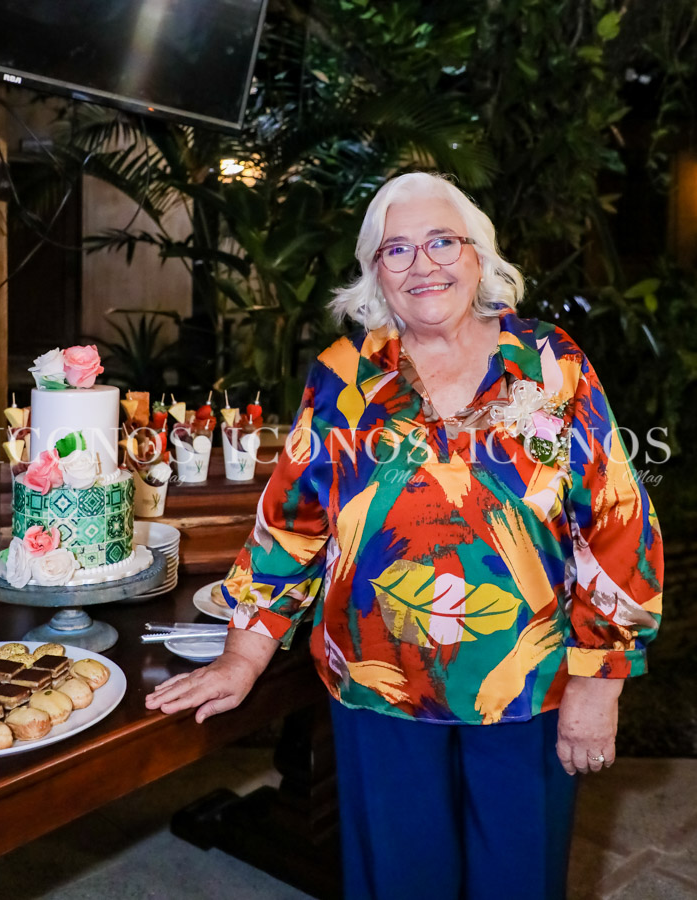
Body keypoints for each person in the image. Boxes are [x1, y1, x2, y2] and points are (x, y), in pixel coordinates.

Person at [146, 172, 663, 900]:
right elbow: (291, 523)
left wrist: (599, 680)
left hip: (527, 686)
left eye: (442, 242)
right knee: (398, 882)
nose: (423, 265)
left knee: (519, 881)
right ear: (375, 273)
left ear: (478, 254)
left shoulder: (552, 362)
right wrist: (242, 653)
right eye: (397, 249)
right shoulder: (343, 376)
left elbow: (616, 519)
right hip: (376, 684)